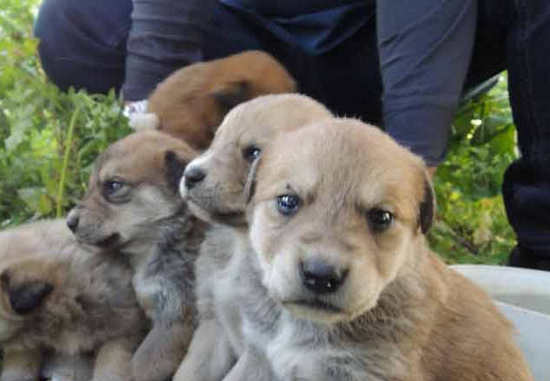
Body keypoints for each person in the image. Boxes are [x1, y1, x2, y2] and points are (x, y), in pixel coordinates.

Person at [34, 0, 550, 271]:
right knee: (71, 22)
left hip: (382, 40)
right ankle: (228, 144)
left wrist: (408, 161)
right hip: (246, 22)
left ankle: (542, 259)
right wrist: (150, 111)